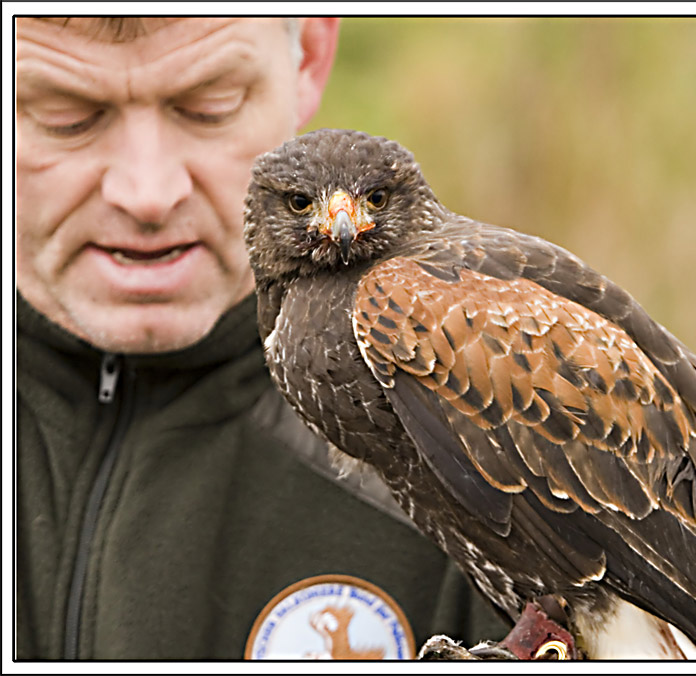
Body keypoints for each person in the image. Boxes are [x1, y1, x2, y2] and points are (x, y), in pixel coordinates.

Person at [15, 16, 509, 660]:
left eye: (207, 108)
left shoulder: (484, 420)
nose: (148, 194)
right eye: (67, 117)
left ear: (308, 55)